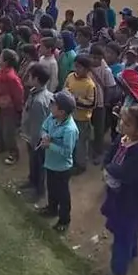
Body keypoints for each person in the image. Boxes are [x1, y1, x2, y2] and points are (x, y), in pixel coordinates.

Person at [99, 105, 138, 275]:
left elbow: (126, 174)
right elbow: (110, 154)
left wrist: (109, 169)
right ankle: (131, 251)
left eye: (128, 124)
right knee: (129, 228)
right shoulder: (123, 139)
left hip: (129, 199)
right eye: (123, 120)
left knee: (123, 234)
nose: (122, 124)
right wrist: (108, 165)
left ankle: (117, 273)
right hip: (118, 194)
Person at [38, 90, 79, 233]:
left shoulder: (70, 130)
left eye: (53, 104)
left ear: (62, 112)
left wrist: (50, 145)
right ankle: (51, 209)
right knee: (51, 189)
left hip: (62, 168)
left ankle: (64, 220)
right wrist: (44, 136)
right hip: (50, 163)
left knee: (63, 195)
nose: (50, 105)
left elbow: (67, 152)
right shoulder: (52, 117)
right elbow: (43, 127)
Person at [20, 63, 54, 201]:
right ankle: (32, 180)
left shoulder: (40, 100)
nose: (27, 78)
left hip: (37, 138)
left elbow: (38, 125)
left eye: (30, 76)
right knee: (33, 162)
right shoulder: (36, 92)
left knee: (39, 164)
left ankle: (39, 191)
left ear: (36, 79)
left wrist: (34, 141)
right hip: (32, 135)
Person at [0, 48, 25, 164]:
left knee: (8, 132)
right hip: (1, 105)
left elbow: (18, 93)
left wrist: (18, 108)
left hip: (10, 108)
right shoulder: (1, 72)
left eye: (1, 57)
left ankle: (13, 153)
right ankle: (0, 146)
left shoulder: (11, 77)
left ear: (5, 62)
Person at [66, 54, 98, 173]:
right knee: (70, 141)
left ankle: (81, 165)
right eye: (76, 66)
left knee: (81, 143)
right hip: (70, 116)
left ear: (87, 69)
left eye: (80, 67)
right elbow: (65, 89)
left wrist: (76, 100)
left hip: (82, 119)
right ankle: (71, 161)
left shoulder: (90, 85)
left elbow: (92, 104)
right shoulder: (70, 77)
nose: (77, 69)